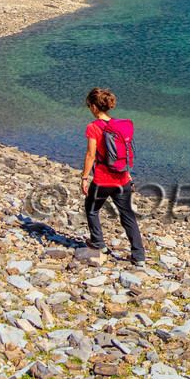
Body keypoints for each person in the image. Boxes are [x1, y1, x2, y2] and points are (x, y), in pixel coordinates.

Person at [81, 87, 146, 265]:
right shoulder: (120, 126)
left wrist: (84, 178)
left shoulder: (93, 127)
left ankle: (98, 243)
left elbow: (90, 155)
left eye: (89, 107)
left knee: (92, 208)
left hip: (102, 180)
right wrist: (128, 174)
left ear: (94, 107)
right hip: (122, 179)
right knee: (127, 216)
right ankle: (139, 256)